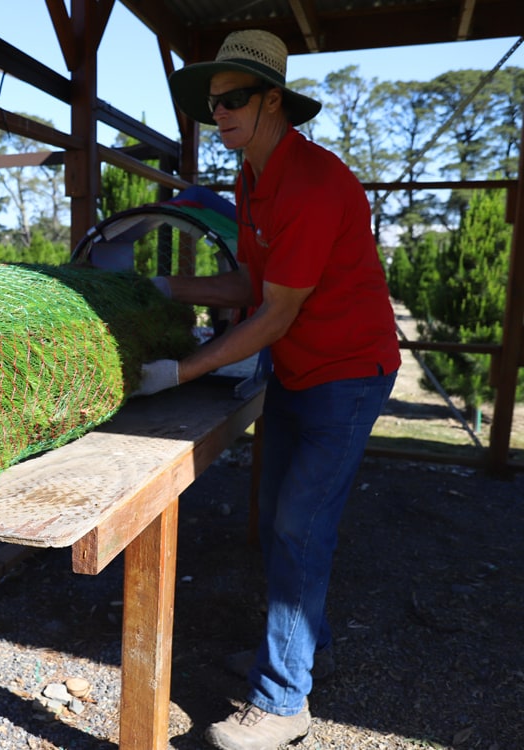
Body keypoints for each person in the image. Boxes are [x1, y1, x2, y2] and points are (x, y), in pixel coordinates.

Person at [133, 29, 401, 750]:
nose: (218, 114)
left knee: (298, 526)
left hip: (347, 374)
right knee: (286, 519)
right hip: (298, 367)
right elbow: (252, 282)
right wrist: (166, 285)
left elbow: (276, 310)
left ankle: (283, 702)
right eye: (211, 104)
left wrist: (179, 372)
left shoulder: (313, 184)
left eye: (234, 99)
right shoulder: (252, 178)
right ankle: (299, 652)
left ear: (274, 99)